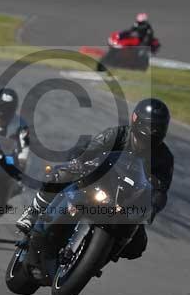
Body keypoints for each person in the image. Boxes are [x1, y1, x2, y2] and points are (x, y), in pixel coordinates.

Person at [16, 98, 174, 277]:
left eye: (158, 128)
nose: (153, 132)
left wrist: (152, 207)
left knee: (137, 246)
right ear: (136, 120)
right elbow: (88, 149)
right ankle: (33, 212)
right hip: (98, 182)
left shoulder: (164, 158)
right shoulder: (117, 135)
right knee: (60, 175)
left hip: (125, 200)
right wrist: (79, 161)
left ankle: (97, 259)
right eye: (149, 126)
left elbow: (160, 190)